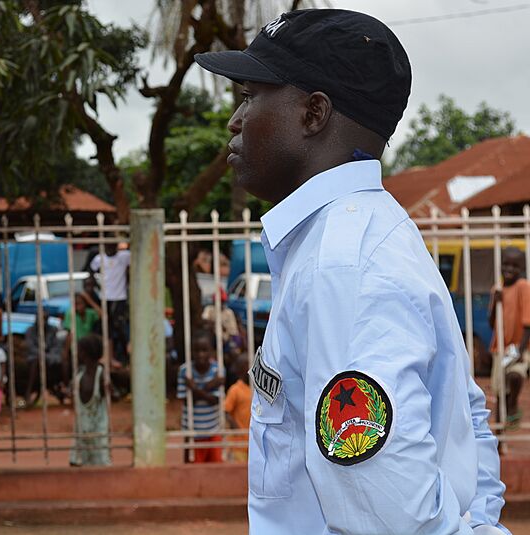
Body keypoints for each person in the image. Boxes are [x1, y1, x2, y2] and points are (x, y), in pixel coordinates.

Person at [195, 9, 507, 533]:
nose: (236, 119)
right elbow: (468, 427)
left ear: (314, 113)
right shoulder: (367, 235)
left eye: (251, 95)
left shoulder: (345, 267)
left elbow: (391, 517)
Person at [488, 247, 530, 430]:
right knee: (499, 393)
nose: (509, 269)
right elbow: (492, 324)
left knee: (515, 375)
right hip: (500, 349)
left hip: (518, 346)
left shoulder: (523, 286)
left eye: (515, 265)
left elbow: (528, 322)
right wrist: (496, 301)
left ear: (521, 268)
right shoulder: (497, 289)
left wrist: (520, 350)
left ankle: (513, 405)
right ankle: (499, 433)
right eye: (506, 264)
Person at [177, 331, 223, 463]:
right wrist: (209, 386)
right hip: (192, 431)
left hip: (214, 429)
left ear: (212, 351)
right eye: (196, 351)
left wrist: (194, 388)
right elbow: (186, 401)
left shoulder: (217, 370)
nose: (200, 354)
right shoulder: (185, 371)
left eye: (204, 350)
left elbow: (215, 401)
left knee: (216, 468)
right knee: (193, 469)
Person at [69, 334, 111, 467]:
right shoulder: (79, 375)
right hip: (82, 429)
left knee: (100, 464)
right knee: (79, 463)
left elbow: (109, 394)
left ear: (86, 353)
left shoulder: (101, 375)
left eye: (80, 350)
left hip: (98, 430)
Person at [89, 242, 131, 365]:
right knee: (107, 328)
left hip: (120, 296)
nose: (110, 249)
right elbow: (90, 270)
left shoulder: (124, 256)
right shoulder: (99, 258)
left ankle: (125, 353)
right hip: (106, 297)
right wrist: (97, 286)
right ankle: (109, 356)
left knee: (120, 326)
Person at [23, 311, 65, 406]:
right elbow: (31, 348)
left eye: (45, 319)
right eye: (40, 319)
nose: (42, 321)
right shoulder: (30, 331)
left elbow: (56, 346)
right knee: (35, 362)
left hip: (51, 357)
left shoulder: (53, 330)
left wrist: (48, 356)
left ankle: (65, 388)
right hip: (35, 356)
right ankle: (28, 392)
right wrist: (42, 355)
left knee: (62, 362)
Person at [223, 356, 251, 463]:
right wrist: (236, 428)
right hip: (239, 444)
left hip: (254, 442)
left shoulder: (256, 389)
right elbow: (226, 411)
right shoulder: (235, 389)